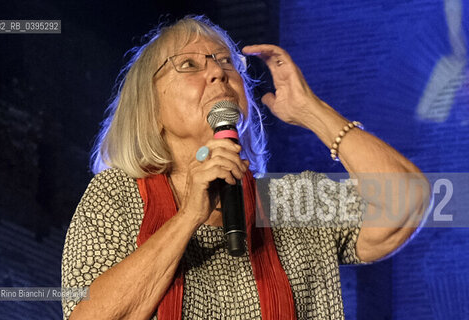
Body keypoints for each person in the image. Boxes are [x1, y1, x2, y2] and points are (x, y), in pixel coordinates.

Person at [61, 15, 429, 320]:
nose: (218, 73)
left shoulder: (289, 202)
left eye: (225, 62)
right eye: (189, 65)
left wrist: (312, 112)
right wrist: (188, 217)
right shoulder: (117, 196)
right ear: (150, 107)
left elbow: (407, 203)